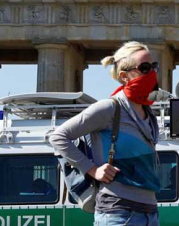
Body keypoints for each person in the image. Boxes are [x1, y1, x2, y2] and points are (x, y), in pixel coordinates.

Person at [50, 41, 161, 226]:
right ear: (124, 76)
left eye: (154, 66)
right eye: (145, 68)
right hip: (118, 213)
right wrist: (92, 170)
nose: (152, 73)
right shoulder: (110, 108)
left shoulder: (148, 114)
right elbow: (58, 136)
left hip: (150, 212)